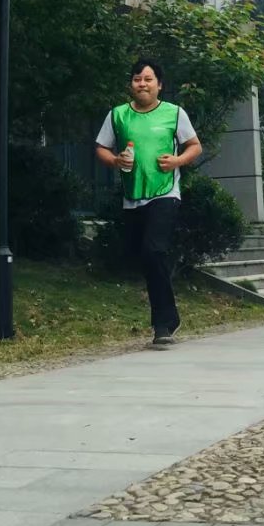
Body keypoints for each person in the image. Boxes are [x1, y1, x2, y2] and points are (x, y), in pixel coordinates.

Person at [95, 59, 203, 348]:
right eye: (137, 79)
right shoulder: (118, 115)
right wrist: (115, 160)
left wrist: (177, 160)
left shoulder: (174, 113)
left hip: (165, 192)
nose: (142, 84)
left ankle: (163, 323)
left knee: (153, 250)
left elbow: (195, 146)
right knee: (143, 256)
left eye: (148, 79)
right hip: (133, 197)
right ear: (131, 84)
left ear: (159, 85)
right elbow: (101, 148)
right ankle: (169, 314)